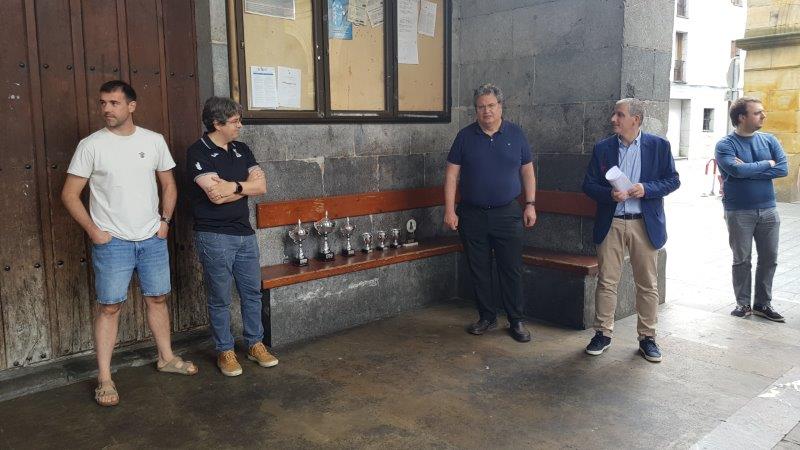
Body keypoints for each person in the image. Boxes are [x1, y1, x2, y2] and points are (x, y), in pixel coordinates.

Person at [62, 80, 197, 407]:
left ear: (131, 106)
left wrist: (165, 222)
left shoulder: (153, 141)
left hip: (152, 238)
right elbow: (69, 194)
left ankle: (166, 358)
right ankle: (105, 378)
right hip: (113, 242)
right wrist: (94, 231)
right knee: (109, 307)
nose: (106, 109)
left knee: (158, 299)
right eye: (103, 103)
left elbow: (169, 184)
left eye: (114, 103)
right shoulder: (91, 145)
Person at [582, 98, 680, 363]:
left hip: (643, 223)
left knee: (647, 283)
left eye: (619, 115)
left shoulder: (659, 146)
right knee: (607, 281)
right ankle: (602, 333)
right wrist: (609, 195)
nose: (613, 119)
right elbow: (588, 185)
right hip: (612, 221)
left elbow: (673, 180)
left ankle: (647, 338)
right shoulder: (603, 148)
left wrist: (646, 189)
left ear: (635, 119)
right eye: (614, 114)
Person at [186, 97, 276, 377]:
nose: (240, 126)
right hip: (214, 236)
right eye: (235, 121)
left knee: (252, 293)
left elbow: (262, 187)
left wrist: (233, 186)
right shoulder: (198, 151)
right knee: (220, 297)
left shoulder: (242, 149)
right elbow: (215, 196)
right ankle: (225, 350)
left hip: (244, 233)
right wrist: (243, 187)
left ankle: (255, 344)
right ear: (217, 123)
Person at [443, 83, 537, 343]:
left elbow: (527, 171)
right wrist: (449, 210)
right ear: (476, 110)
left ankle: (516, 320)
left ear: (500, 106)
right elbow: (451, 175)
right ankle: (487, 316)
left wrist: (530, 204)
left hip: (507, 213)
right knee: (479, 268)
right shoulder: (464, 137)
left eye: (491, 106)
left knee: (511, 268)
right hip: (471, 214)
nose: (486, 111)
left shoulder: (516, 134)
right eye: (481, 107)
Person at [715, 97, 788, 322]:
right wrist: (767, 164)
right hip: (739, 211)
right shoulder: (725, 145)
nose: (763, 115)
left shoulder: (769, 140)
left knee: (769, 258)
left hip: (768, 210)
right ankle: (743, 304)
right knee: (742, 259)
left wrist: (747, 170)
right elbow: (736, 171)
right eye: (757, 113)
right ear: (741, 117)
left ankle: (763, 304)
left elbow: (783, 169)